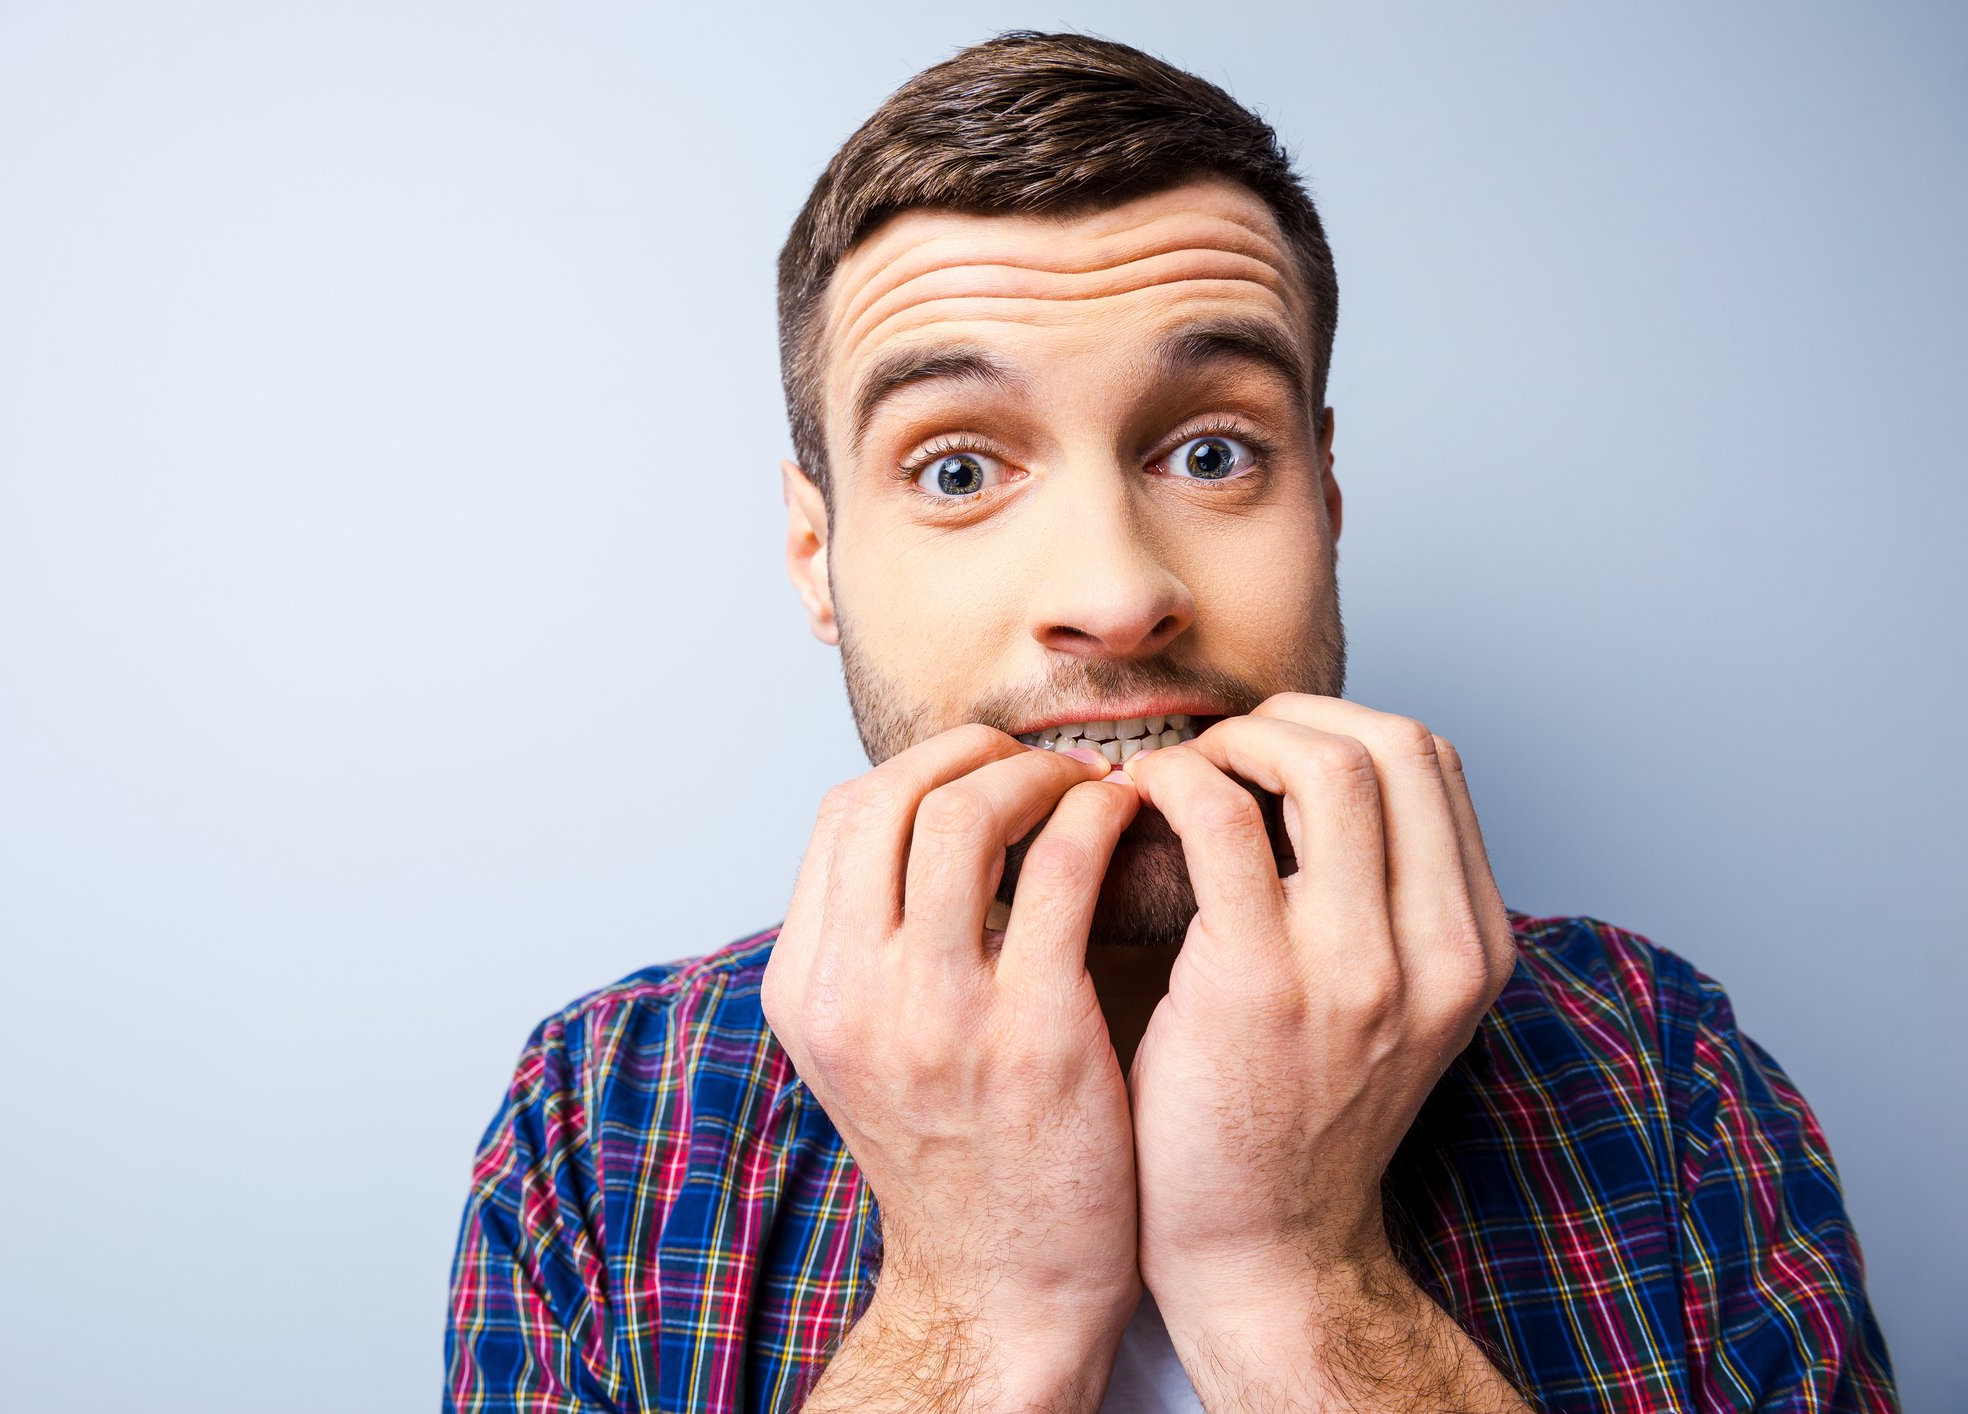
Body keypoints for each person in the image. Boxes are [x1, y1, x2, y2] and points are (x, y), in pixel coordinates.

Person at [444, 31, 1894, 1413]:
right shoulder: (601, 1131)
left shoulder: (1655, 1072)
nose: (1117, 592)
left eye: (1212, 452)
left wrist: (1296, 1283)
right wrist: (977, 1303)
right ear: (816, 556)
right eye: (957, 471)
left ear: (1322, 506)